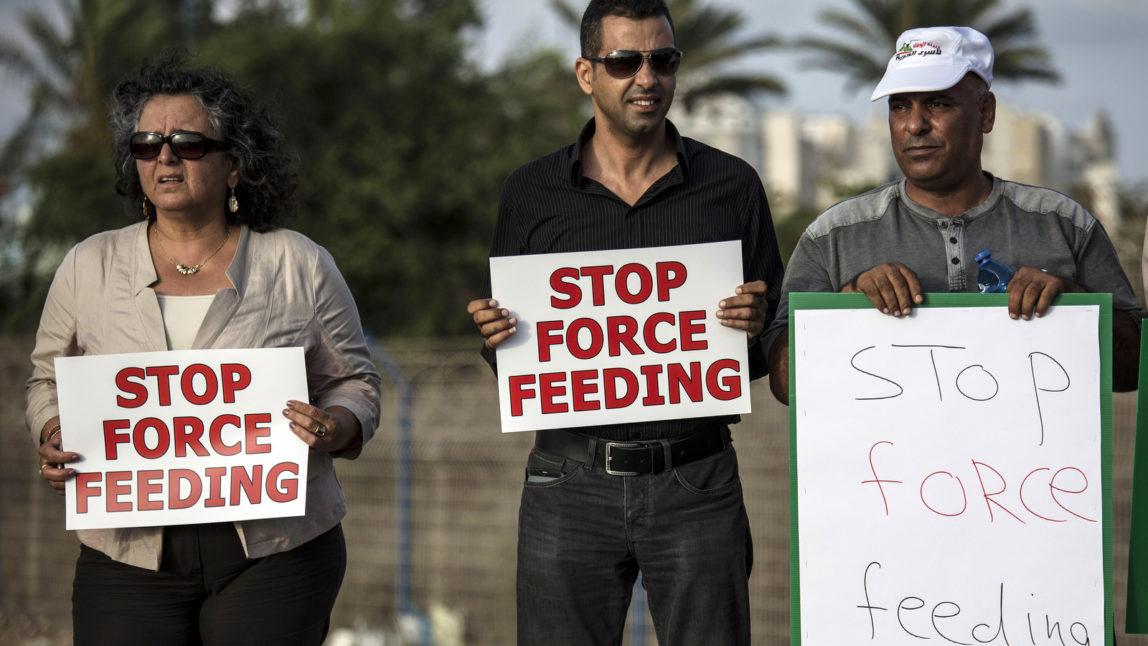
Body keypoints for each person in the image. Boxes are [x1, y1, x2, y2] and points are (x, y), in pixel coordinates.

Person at [25, 56, 381, 646]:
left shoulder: (299, 262)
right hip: (127, 550)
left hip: (278, 550)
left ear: (234, 165)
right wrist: (54, 429)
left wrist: (334, 425)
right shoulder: (87, 266)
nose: (164, 157)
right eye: (146, 144)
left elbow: (357, 383)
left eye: (187, 143)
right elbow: (45, 381)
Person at [465, 1, 784, 643]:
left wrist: (753, 329)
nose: (647, 77)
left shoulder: (733, 185)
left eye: (662, 60)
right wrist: (498, 337)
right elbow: (521, 355)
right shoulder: (529, 193)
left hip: (697, 478)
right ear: (586, 73)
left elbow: (766, 347)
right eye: (624, 61)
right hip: (567, 480)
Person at [765, 25, 1144, 403]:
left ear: (986, 112)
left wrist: (1074, 302)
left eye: (938, 104)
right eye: (899, 106)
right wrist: (847, 302)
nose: (914, 124)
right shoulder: (833, 236)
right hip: (883, 462)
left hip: (1032, 464)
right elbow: (784, 384)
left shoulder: (1064, 224)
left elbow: (1134, 369)